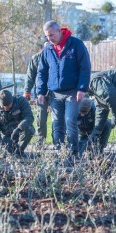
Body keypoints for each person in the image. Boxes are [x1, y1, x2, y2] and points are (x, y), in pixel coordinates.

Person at [36, 20, 91, 159]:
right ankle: (60, 152)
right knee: (57, 124)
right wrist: (40, 92)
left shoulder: (76, 45)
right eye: (47, 36)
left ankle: (73, 154)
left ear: (60, 31)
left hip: (72, 92)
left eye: (51, 35)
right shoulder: (47, 49)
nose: (49, 39)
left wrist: (82, 88)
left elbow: (85, 67)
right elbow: (42, 72)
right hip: (55, 94)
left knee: (69, 121)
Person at [0, 90, 35, 157]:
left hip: (21, 132)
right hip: (8, 137)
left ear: (12, 101)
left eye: (9, 105)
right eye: (4, 106)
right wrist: (0, 146)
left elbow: (29, 117)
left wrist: (19, 128)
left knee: (29, 130)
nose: (7, 108)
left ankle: (19, 151)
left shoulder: (21, 101)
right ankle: (16, 154)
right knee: (6, 154)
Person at [24, 37, 49, 143]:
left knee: (59, 119)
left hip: (56, 93)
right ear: (43, 46)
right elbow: (30, 77)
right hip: (40, 94)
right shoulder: (36, 59)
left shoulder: (59, 56)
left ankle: (60, 142)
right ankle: (40, 142)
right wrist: (27, 92)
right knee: (40, 118)